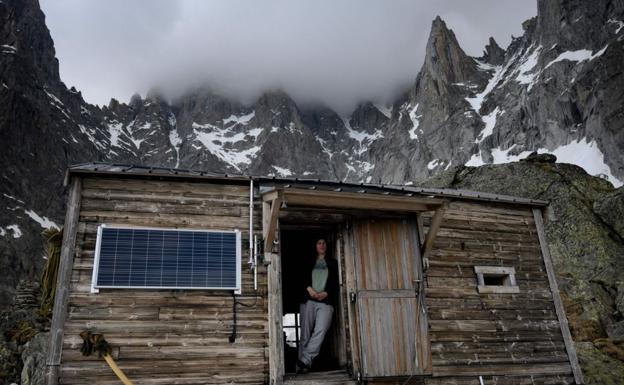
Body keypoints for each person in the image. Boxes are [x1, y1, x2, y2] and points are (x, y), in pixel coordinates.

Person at [296, 238, 339, 374]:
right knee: (305, 334)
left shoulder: (333, 262)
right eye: (319, 243)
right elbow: (300, 277)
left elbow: (335, 281)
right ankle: (301, 368)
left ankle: (304, 360)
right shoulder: (308, 261)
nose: (322, 245)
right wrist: (310, 289)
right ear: (315, 246)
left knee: (320, 331)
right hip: (308, 300)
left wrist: (326, 293)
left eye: (324, 243)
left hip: (325, 302)